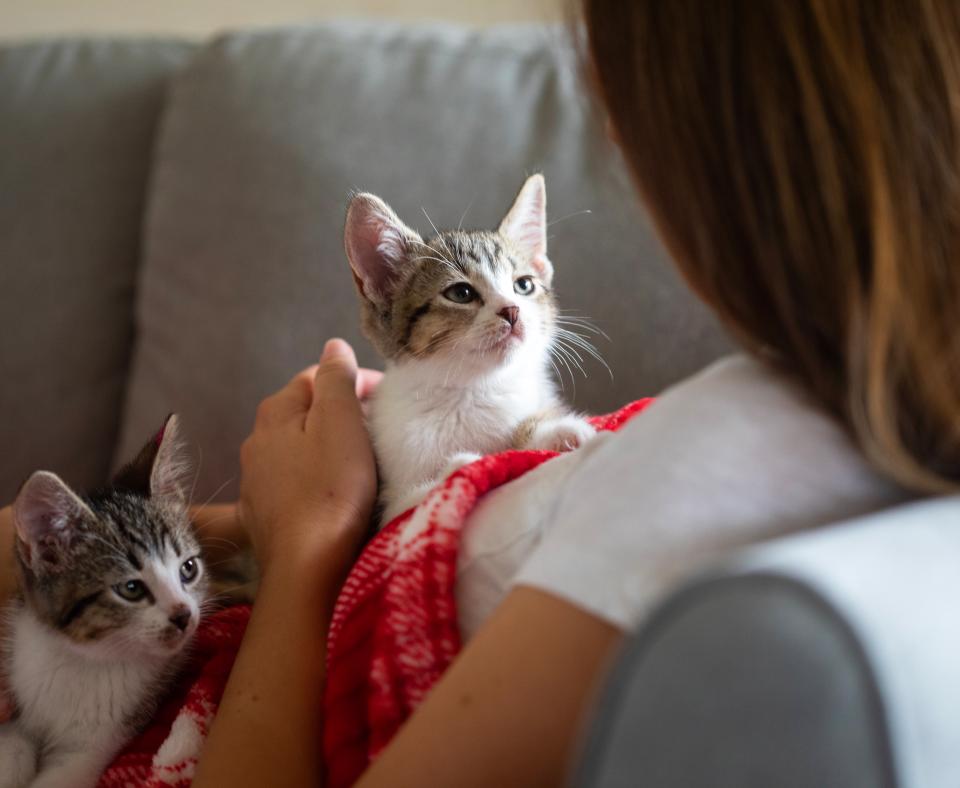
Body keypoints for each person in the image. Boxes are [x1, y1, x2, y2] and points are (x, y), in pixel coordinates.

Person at [3, 1, 959, 784]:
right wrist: (259, 516)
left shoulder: (706, 467)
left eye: (610, 99)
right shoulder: (848, 433)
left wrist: (306, 539)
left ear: (695, 154)